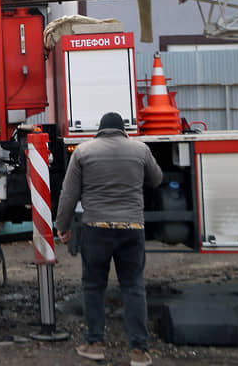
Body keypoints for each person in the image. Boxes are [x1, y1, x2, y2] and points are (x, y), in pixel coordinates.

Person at [56, 112, 163, 366]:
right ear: (123, 130)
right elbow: (157, 179)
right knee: (133, 287)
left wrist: (62, 225)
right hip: (132, 227)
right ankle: (139, 351)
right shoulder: (140, 150)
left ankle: (94, 344)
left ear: (100, 130)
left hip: (97, 228)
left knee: (93, 286)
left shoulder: (83, 152)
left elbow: (69, 194)